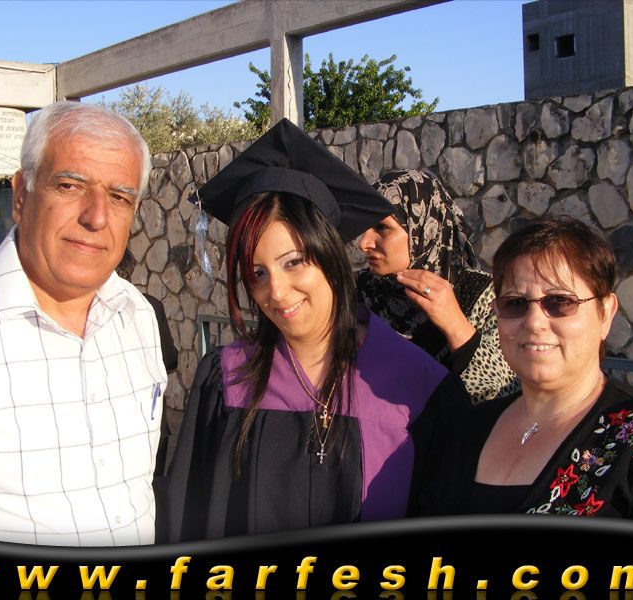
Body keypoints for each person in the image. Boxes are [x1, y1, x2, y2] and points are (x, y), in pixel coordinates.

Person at [157, 119, 469, 543]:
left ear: (330, 257)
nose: (276, 292)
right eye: (257, 272)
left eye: (294, 262)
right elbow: (187, 523)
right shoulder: (225, 379)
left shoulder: (419, 386)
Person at [0, 101, 168, 545]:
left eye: (119, 197)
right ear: (21, 195)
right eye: (70, 185)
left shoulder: (137, 317)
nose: (96, 216)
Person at [418, 217, 633, 528]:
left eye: (560, 301)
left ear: (605, 313)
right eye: (515, 303)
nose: (534, 322)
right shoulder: (465, 430)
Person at [357, 169, 520, 403]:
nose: (364, 243)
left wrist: (455, 325)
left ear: (424, 228)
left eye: (382, 228)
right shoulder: (357, 295)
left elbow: (504, 397)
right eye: (365, 226)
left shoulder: (485, 297)